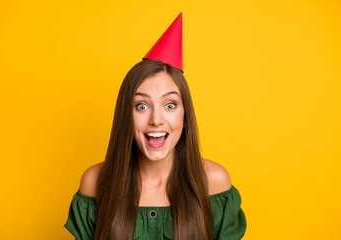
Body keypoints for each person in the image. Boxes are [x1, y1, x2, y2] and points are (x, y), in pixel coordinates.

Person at [64, 13, 246, 240]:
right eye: (141, 106)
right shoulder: (95, 182)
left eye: (170, 105)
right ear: (125, 115)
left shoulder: (214, 181)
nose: (156, 119)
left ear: (185, 115)